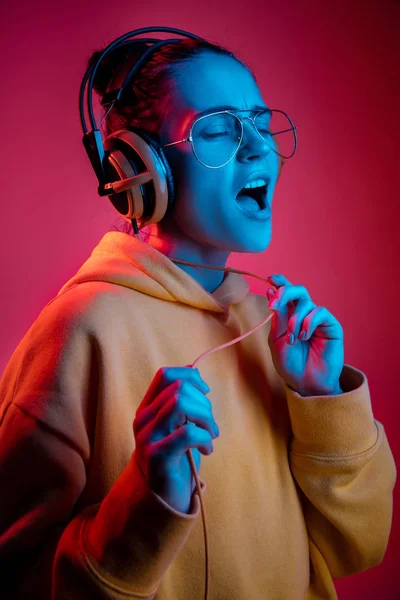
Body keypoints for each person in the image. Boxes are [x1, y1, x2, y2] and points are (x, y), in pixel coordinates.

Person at [0, 35, 396, 600]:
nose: (258, 148)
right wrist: (146, 499)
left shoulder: (270, 329)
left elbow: (358, 545)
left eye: (259, 122)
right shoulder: (79, 334)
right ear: (140, 171)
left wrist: (322, 399)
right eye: (218, 130)